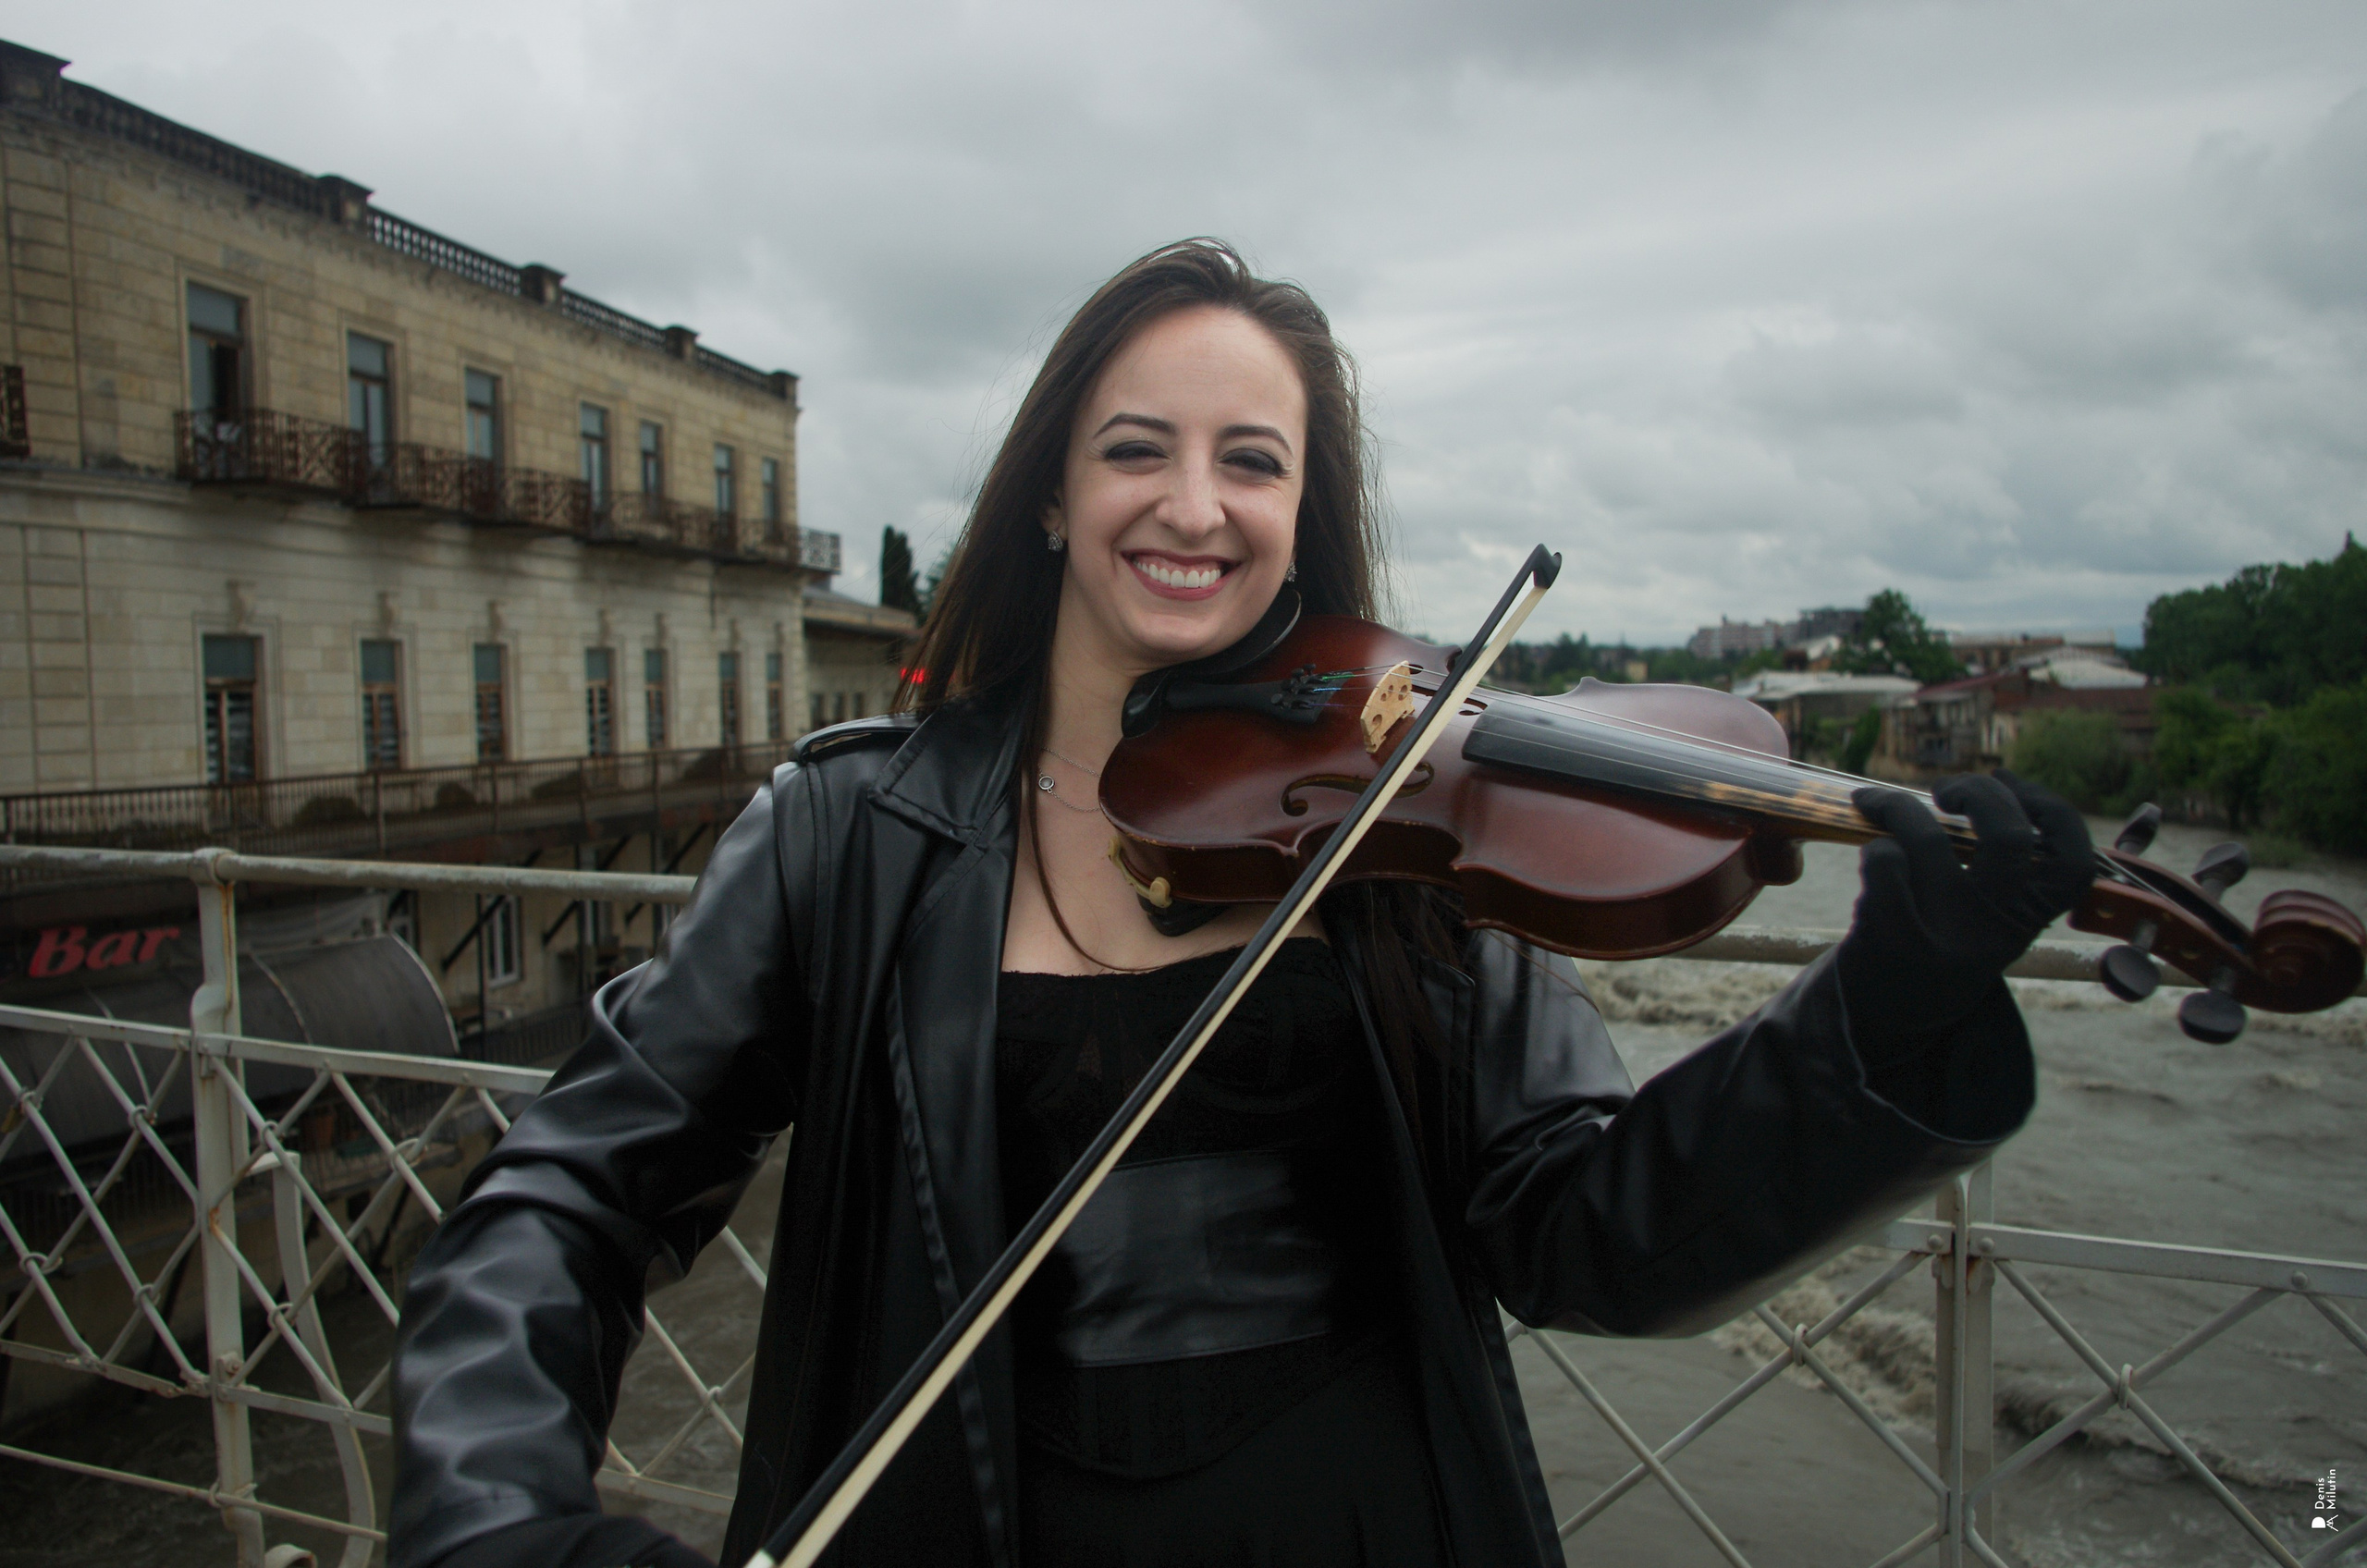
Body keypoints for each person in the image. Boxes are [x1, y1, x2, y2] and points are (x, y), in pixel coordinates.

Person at [391, 239, 2092, 1568]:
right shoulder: (853, 829)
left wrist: (1881, 1014)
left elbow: (1597, 1238)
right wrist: (501, 1520)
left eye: (1253, 464)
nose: (1195, 506)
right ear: (1054, 494)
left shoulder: (1415, 829)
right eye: (1139, 450)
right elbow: (569, 1192)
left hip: (1364, 1531)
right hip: (952, 1530)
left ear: (1302, 516)